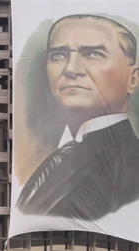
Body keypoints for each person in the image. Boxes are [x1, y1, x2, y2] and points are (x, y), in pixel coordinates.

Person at [17, 14, 139, 220]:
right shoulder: (57, 156)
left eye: (93, 54)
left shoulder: (131, 164)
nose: (71, 70)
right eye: (58, 55)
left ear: (133, 79)